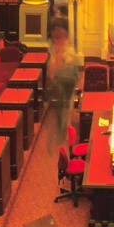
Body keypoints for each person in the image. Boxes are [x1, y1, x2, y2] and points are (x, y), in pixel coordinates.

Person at [44, 23, 79, 160]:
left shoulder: (68, 51)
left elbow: (73, 67)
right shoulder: (54, 53)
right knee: (62, 109)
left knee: (67, 108)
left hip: (68, 83)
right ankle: (62, 133)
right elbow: (52, 72)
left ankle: (66, 130)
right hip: (60, 85)